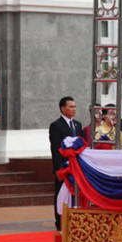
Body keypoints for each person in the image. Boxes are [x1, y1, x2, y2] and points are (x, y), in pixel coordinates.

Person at [49, 96, 82, 230]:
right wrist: (58, 169)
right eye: (71, 106)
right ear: (63, 108)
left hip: (76, 167)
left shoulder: (77, 125)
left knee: (75, 194)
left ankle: (74, 221)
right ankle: (60, 224)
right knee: (61, 195)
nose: (74, 109)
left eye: (75, 106)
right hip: (64, 168)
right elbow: (55, 148)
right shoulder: (56, 125)